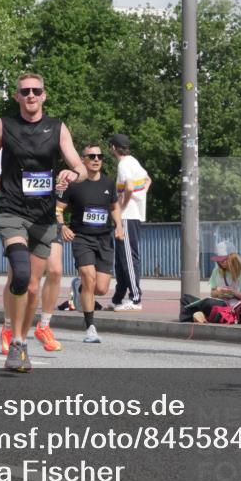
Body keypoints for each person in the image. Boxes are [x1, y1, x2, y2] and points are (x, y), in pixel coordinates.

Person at [0, 72, 86, 372]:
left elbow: (79, 166)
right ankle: (13, 336)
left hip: (43, 216)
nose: (31, 95)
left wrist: (73, 173)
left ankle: (20, 342)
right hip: (11, 210)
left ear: (44, 95)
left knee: (33, 287)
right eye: (25, 91)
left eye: (36, 90)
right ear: (17, 96)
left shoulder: (57, 127)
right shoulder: (4, 125)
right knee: (21, 273)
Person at [56, 142, 123, 344]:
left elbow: (114, 207)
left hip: (104, 239)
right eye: (91, 156)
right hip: (82, 238)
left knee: (101, 289)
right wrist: (62, 227)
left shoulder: (108, 183)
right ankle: (90, 328)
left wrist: (119, 225)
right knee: (89, 277)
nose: (96, 160)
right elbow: (58, 209)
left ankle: (79, 287)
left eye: (99, 156)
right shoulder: (74, 184)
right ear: (82, 160)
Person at [108, 134, 150, 311]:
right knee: (121, 259)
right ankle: (118, 298)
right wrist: (141, 198)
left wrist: (123, 205)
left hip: (127, 216)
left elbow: (130, 187)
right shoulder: (133, 161)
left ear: (113, 147)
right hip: (134, 215)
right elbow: (148, 180)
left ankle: (135, 298)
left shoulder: (124, 164)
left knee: (128, 258)